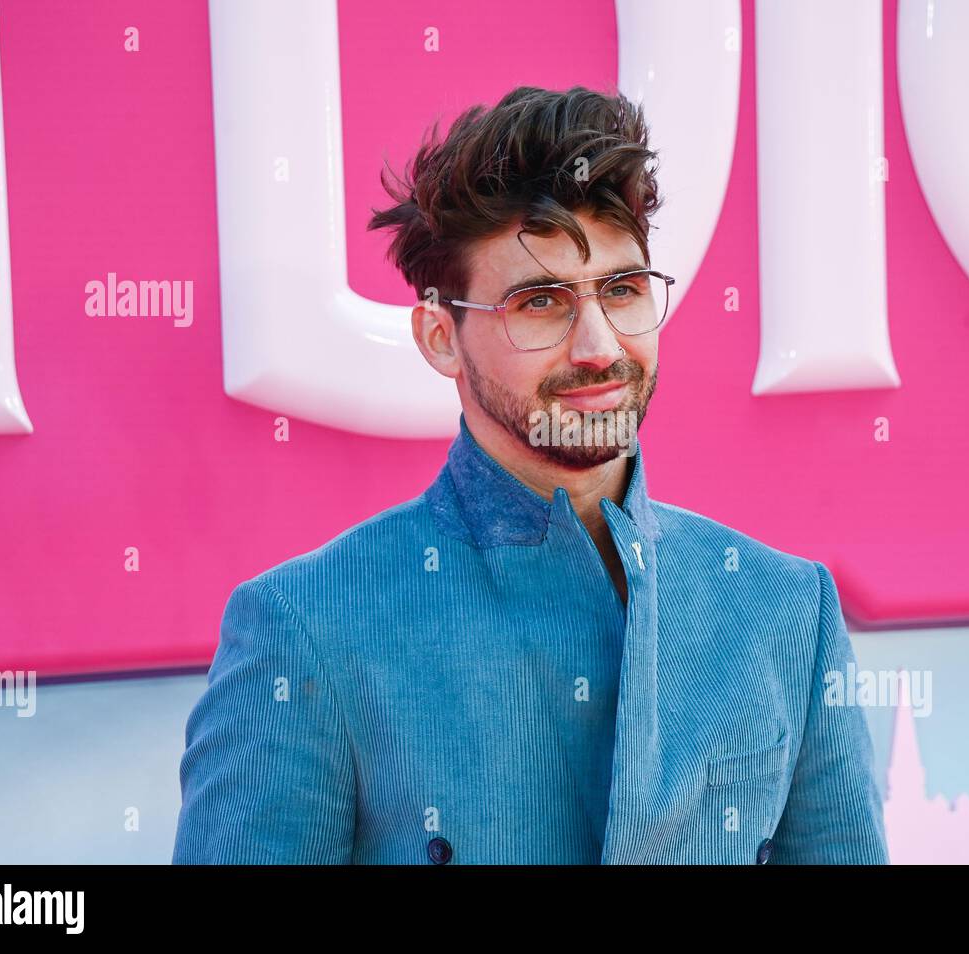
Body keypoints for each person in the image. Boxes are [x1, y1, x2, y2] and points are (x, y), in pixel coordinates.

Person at [173, 85, 888, 865]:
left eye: (622, 290)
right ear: (441, 337)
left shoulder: (786, 608)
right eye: (540, 302)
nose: (598, 346)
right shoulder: (305, 628)